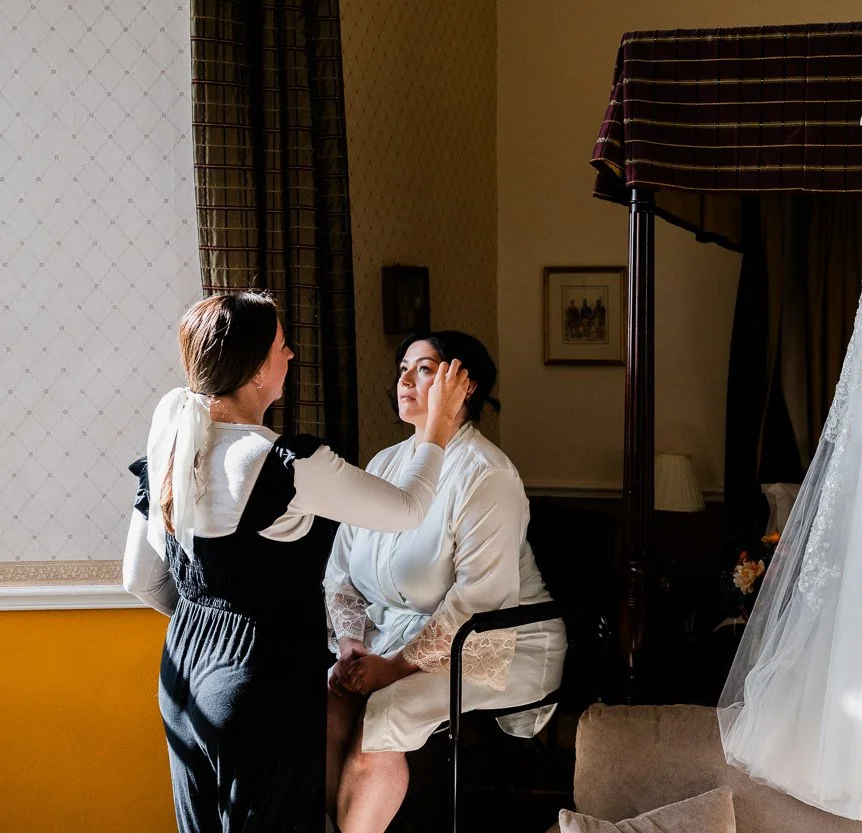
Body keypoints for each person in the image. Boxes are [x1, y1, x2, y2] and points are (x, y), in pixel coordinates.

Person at [121, 292, 470, 833]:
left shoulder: (170, 449)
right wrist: (439, 427)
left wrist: (212, 622)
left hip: (182, 670)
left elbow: (140, 579)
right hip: (262, 677)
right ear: (259, 368)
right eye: (283, 348)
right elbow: (407, 509)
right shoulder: (288, 464)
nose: (291, 357)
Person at [325, 330, 565, 833]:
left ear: (464, 385)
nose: (405, 379)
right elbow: (340, 572)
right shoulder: (383, 465)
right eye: (402, 369)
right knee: (330, 700)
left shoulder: (487, 475)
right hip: (394, 635)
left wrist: (392, 669)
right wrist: (351, 644)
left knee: (386, 713)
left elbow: (480, 599)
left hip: (497, 641)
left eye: (425, 368)